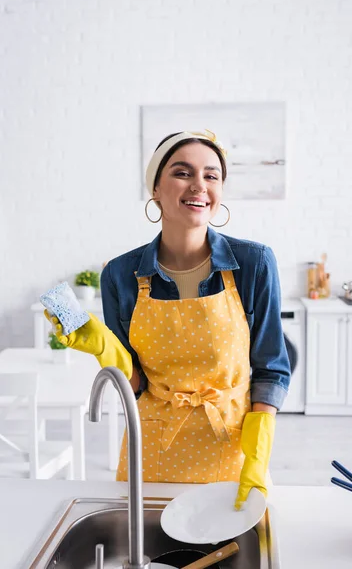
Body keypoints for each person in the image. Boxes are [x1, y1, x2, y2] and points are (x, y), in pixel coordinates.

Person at [47, 129, 291, 510]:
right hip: (152, 453)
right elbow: (137, 384)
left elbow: (271, 368)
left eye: (211, 176)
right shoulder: (120, 274)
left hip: (232, 451)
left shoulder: (254, 264)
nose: (199, 185)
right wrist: (103, 348)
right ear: (156, 188)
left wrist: (258, 455)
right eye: (183, 172)